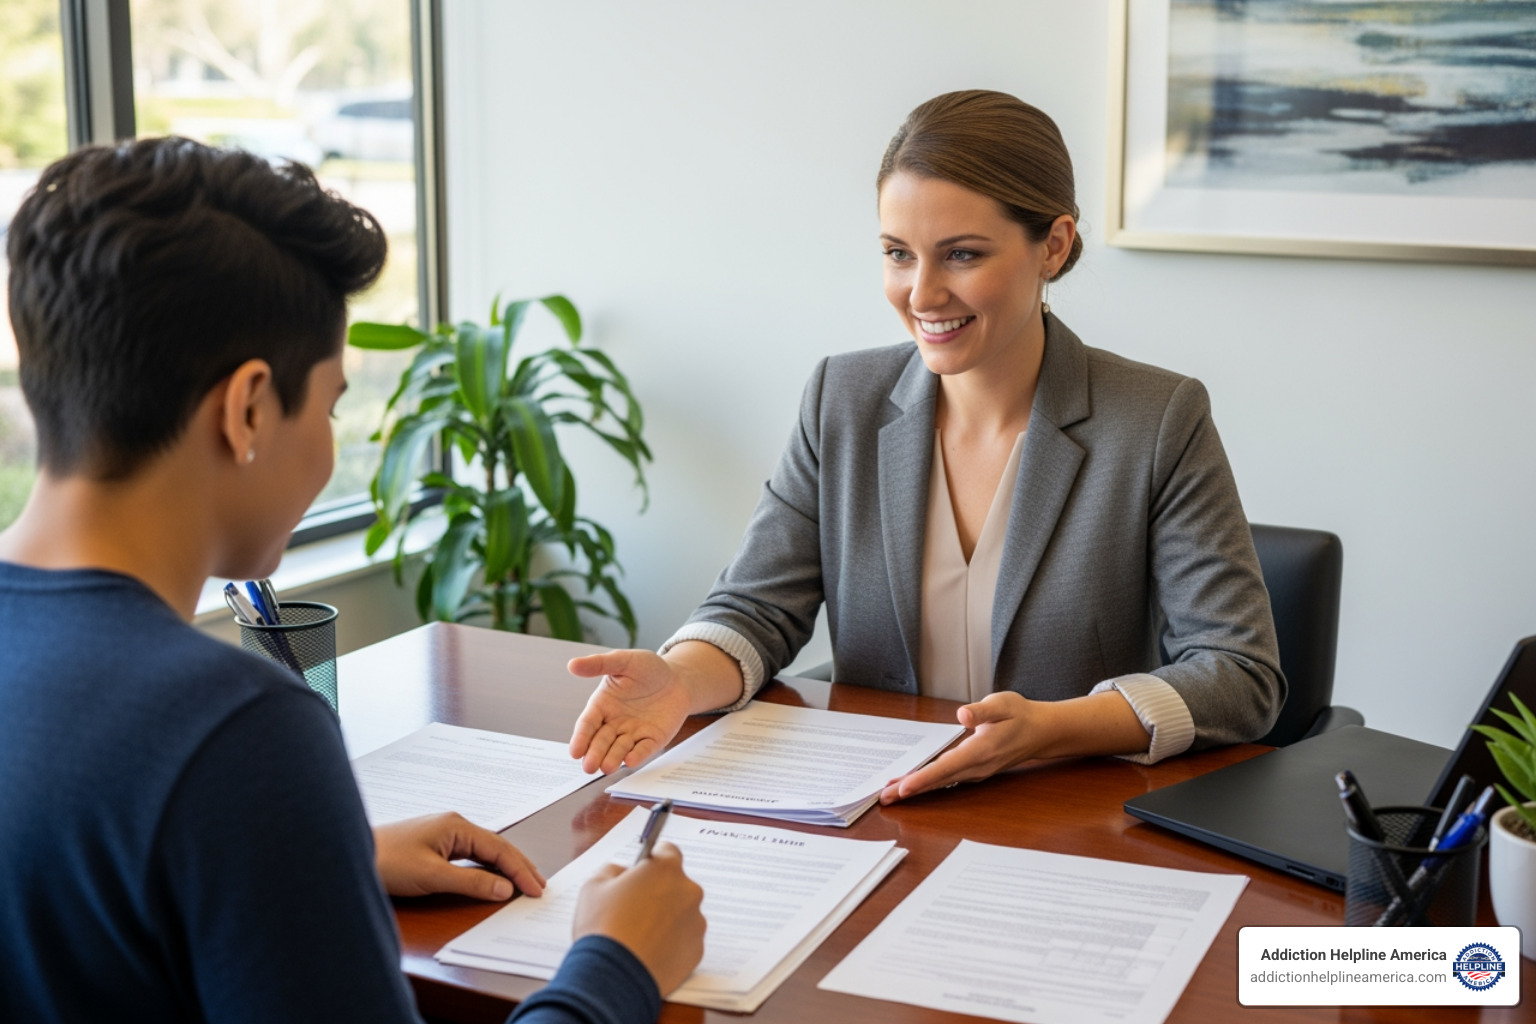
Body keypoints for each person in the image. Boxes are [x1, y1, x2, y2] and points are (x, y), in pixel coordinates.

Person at [0, 137, 704, 1023]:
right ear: (248, 407)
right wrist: (616, 965)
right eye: (332, 404)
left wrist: (308, 861)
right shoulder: (234, 732)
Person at [567, 90, 1284, 801]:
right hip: (878, 810)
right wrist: (682, 680)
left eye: (962, 255)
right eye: (897, 254)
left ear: (1054, 246)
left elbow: (1239, 671)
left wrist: (1057, 728)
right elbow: (757, 608)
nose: (922, 293)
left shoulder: (1157, 419)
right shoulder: (841, 399)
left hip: (1062, 817)